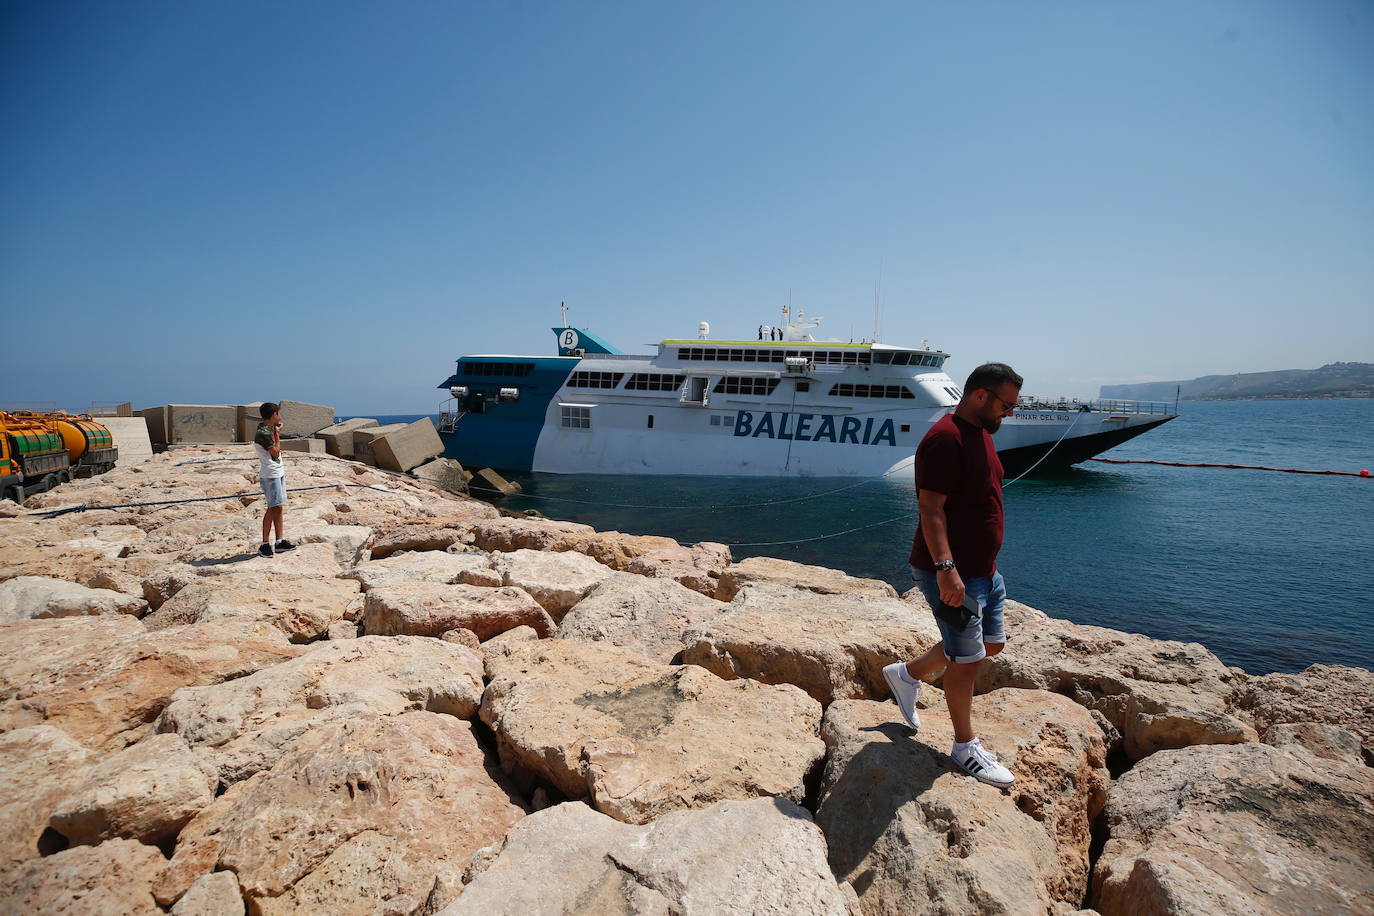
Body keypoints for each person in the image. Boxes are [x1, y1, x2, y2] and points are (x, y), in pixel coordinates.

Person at [882, 363, 1023, 788]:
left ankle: (905, 674)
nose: (1010, 414)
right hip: (952, 571)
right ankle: (965, 748)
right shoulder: (944, 439)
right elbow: (931, 509)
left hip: (984, 570)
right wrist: (946, 570)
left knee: (989, 645)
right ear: (981, 396)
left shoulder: (982, 434)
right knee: (968, 660)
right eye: (1006, 405)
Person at [253, 402, 296, 558]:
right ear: (274, 415)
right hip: (270, 474)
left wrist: (275, 430)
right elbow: (276, 453)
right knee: (272, 507)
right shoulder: (263, 433)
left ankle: (279, 541)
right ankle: (264, 544)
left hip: (277, 472)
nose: (280, 416)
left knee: (278, 507)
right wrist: (277, 435)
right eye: (278, 413)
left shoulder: (267, 430)